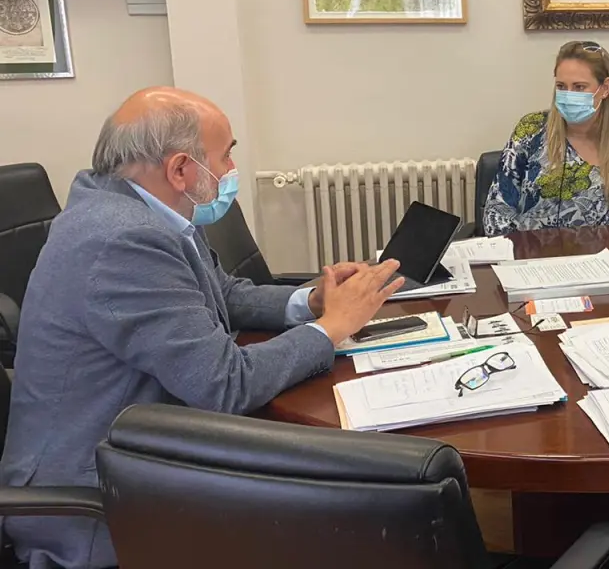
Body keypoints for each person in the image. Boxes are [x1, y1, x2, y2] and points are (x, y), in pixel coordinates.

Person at [1, 87, 404, 569]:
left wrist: (312, 301)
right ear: (180, 169)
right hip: (98, 506)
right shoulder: (123, 238)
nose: (231, 169)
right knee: (354, 511)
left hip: (145, 455)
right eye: (226, 156)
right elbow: (224, 384)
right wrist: (334, 326)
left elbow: (222, 293)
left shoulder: (135, 206)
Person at [483, 41, 609, 235]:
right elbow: (497, 211)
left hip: (598, 252)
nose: (568, 95)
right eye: (561, 86)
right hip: (526, 250)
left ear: (605, 88)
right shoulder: (531, 129)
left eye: (579, 87)